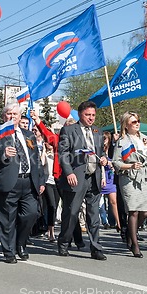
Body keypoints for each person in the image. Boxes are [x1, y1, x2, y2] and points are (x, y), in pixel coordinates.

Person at [0, 103, 44, 264]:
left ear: (20, 116)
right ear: (4, 116)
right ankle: (8, 251)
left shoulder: (28, 134)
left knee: (31, 213)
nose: (12, 117)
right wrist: (2, 154)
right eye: (9, 114)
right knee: (7, 219)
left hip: (29, 181)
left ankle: (21, 243)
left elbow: (36, 159)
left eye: (15, 114)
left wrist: (41, 180)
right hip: (7, 182)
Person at [57, 100, 108, 260]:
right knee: (71, 213)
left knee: (93, 216)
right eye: (88, 115)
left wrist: (104, 160)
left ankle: (96, 248)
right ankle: (64, 242)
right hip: (76, 177)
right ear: (80, 114)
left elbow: (101, 153)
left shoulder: (97, 132)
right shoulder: (69, 130)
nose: (91, 118)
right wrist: (69, 172)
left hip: (94, 177)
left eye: (93, 115)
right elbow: (63, 153)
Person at [30, 110, 84, 249]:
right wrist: (37, 120)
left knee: (73, 209)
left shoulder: (81, 142)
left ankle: (76, 238)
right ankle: (70, 239)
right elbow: (47, 135)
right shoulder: (59, 141)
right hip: (61, 179)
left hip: (77, 179)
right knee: (68, 209)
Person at [112, 112, 147, 258]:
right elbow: (115, 162)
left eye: (138, 121)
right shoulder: (122, 141)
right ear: (126, 125)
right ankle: (135, 245)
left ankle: (131, 232)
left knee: (145, 212)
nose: (137, 123)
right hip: (128, 178)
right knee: (133, 211)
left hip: (143, 178)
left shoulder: (144, 139)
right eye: (133, 121)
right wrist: (130, 166)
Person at [101, 131, 120, 231]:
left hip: (110, 177)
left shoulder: (112, 149)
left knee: (113, 201)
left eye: (105, 139)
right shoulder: (99, 150)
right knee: (98, 203)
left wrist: (115, 142)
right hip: (101, 176)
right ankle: (101, 221)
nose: (103, 141)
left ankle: (119, 223)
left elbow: (116, 160)